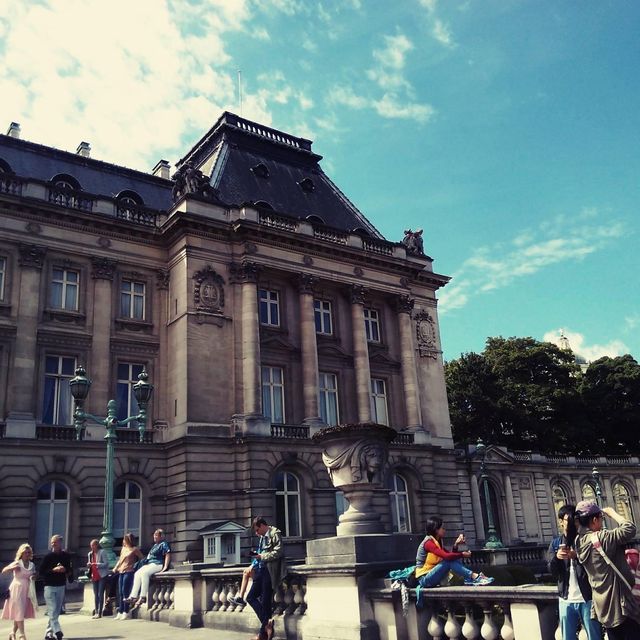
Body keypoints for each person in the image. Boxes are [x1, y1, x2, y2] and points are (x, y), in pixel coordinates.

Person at [575, 501, 640, 640]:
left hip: (602, 605)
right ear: (594, 520)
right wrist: (612, 513)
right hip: (621, 604)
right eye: (601, 518)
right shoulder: (602, 538)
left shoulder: (579, 542)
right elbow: (630, 528)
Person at [547, 504, 601, 640]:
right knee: (567, 637)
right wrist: (556, 558)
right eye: (569, 520)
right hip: (566, 598)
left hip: (587, 597)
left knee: (594, 636)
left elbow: (596, 565)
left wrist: (577, 555)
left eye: (575, 520)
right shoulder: (555, 543)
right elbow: (552, 571)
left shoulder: (585, 540)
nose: (573, 523)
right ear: (560, 522)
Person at [415, 516, 494, 587]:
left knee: (452, 559)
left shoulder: (438, 542)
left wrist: (456, 544)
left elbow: (450, 555)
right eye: (443, 528)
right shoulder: (428, 543)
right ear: (436, 530)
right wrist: (462, 554)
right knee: (448, 561)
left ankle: (469, 579)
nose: (444, 530)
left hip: (431, 576)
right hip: (424, 579)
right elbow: (447, 557)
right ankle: (474, 577)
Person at [246, 516, 286, 640]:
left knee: (265, 602)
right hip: (260, 570)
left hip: (269, 571)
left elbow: (278, 552)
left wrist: (261, 556)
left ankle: (262, 634)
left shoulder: (275, 534)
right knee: (250, 597)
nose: (257, 533)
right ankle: (268, 623)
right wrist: (256, 560)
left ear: (263, 525)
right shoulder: (262, 537)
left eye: (258, 530)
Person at [39, 534, 72, 640]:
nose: (53, 544)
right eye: (52, 542)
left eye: (55, 542)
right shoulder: (48, 557)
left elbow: (69, 569)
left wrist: (65, 570)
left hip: (61, 585)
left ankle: (48, 633)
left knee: (56, 611)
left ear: (60, 543)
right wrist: (54, 570)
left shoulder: (66, 556)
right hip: (49, 586)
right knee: (52, 610)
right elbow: (41, 572)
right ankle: (57, 631)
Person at [127, 529, 171, 609]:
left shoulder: (164, 544)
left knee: (144, 573)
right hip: (150, 564)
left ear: (161, 537)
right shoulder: (154, 545)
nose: (154, 536)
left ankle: (143, 596)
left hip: (158, 564)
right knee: (137, 574)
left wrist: (165, 566)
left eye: (156, 535)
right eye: (154, 535)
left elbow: (167, 554)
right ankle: (133, 596)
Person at [1, 543, 37, 640]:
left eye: (29, 552)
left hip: (27, 590)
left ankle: (12, 632)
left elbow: (33, 575)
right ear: (21, 553)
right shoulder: (17, 563)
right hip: (16, 589)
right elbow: (4, 570)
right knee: (19, 611)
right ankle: (22, 635)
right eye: (25, 552)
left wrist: (34, 576)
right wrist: (12, 568)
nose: (27, 554)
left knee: (19, 612)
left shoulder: (32, 564)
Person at [112, 533, 143, 619]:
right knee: (120, 593)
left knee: (125, 592)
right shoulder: (123, 549)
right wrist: (115, 567)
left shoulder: (134, 549)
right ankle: (120, 611)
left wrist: (135, 566)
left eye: (125, 539)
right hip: (121, 571)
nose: (124, 541)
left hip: (129, 571)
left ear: (129, 540)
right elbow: (120, 560)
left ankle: (126, 611)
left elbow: (142, 558)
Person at [86, 539, 109, 619]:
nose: (92, 547)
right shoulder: (90, 554)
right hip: (94, 575)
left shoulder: (102, 552)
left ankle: (99, 612)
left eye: (93, 545)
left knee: (100, 593)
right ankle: (96, 611)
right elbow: (90, 564)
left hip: (102, 575)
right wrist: (89, 565)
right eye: (91, 546)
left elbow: (106, 563)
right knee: (96, 594)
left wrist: (96, 564)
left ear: (97, 545)